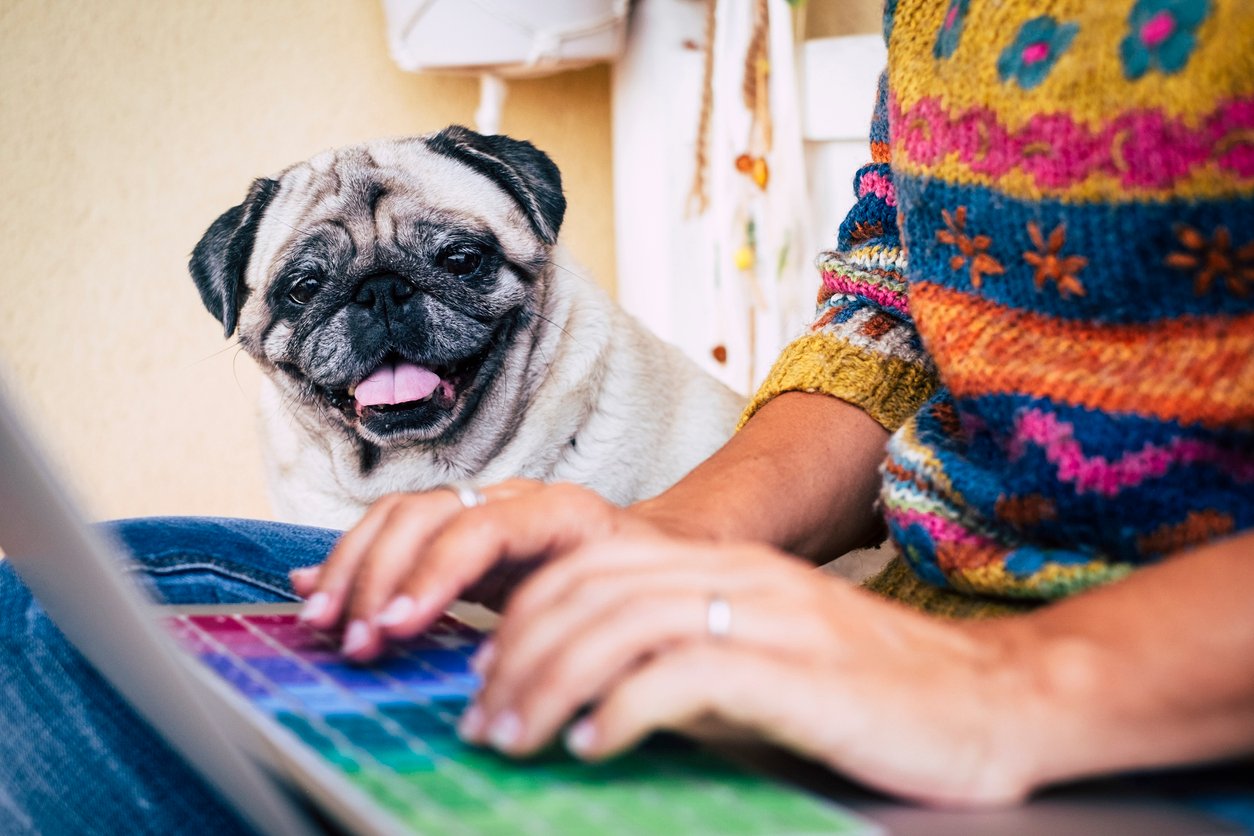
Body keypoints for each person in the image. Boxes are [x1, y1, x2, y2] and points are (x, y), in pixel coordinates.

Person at [1, 0, 1250, 831]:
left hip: (1150, 701)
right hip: (890, 622)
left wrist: (1015, 676)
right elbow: (899, 301)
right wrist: (663, 536)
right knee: (48, 618)